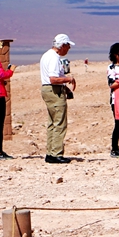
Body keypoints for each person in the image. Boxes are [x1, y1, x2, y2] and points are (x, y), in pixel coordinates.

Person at [40, 33, 76, 164]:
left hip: (50, 90)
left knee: (52, 123)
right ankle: (56, 154)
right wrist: (69, 79)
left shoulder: (47, 55)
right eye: (67, 45)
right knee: (60, 122)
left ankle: (51, 152)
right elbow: (53, 78)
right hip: (53, 91)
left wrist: (65, 88)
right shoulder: (54, 58)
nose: (68, 49)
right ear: (62, 45)